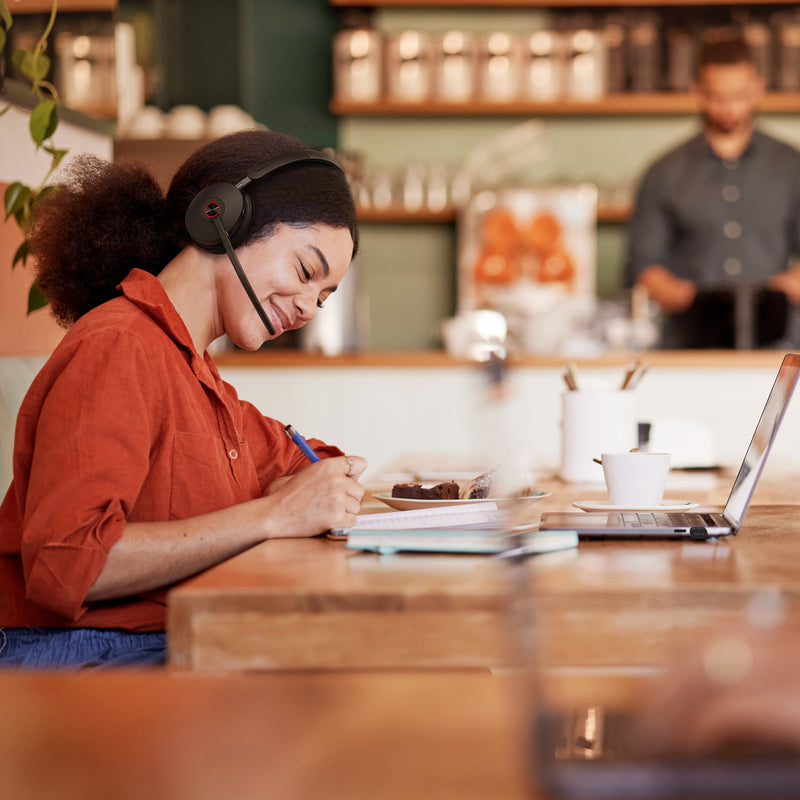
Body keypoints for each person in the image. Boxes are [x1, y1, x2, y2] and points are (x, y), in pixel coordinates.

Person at [0, 128, 368, 668]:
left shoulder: (200, 376)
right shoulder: (119, 346)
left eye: (324, 295)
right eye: (306, 271)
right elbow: (67, 566)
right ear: (220, 216)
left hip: (159, 640)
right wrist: (273, 515)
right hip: (81, 656)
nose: (311, 307)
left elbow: (306, 462)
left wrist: (321, 482)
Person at [626, 33, 800, 348]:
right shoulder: (663, 172)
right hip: (690, 348)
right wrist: (692, 299)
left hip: (776, 346)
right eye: (717, 97)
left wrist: (783, 288)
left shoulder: (792, 166)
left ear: (758, 88)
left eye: (740, 95)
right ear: (697, 90)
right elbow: (643, 266)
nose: (729, 108)